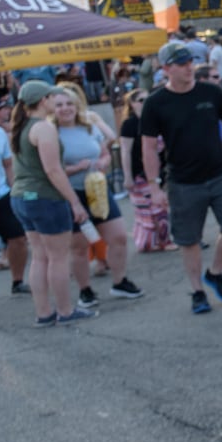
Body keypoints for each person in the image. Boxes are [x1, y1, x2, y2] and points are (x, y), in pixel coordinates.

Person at [140, 42, 222, 316]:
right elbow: (148, 147)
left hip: (219, 174)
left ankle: (215, 272)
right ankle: (198, 291)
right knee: (189, 240)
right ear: (166, 68)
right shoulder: (156, 103)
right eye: (181, 64)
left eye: (190, 62)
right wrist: (154, 187)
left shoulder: (210, 92)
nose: (188, 67)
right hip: (183, 181)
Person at [8, 81, 95, 325]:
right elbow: (54, 171)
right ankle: (66, 311)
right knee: (57, 258)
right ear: (44, 100)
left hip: (23, 197)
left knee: (40, 257)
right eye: (52, 98)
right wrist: (75, 202)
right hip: (45, 199)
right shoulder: (43, 128)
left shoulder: (21, 126)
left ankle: (44, 313)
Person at [51, 85, 142, 306]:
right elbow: (51, 169)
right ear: (51, 109)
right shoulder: (51, 133)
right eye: (59, 105)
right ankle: (86, 290)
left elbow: (104, 153)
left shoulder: (89, 126)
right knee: (79, 246)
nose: (65, 109)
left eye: (69, 103)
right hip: (71, 194)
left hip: (98, 189)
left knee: (119, 237)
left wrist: (103, 162)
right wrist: (76, 168)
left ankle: (119, 282)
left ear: (77, 105)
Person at [118, 89, 173, 253]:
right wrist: (127, 176)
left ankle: (151, 241)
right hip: (139, 174)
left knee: (156, 208)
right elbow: (125, 151)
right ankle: (164, 241)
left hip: (159, 172)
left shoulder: (157, 120)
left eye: (147, 99)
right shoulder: (129, 124)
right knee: (155, 209)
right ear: (132, 104)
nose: (145, 103)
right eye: (140, 100)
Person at [0, 93, 31, 295]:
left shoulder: (0, 134)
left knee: (18, 238)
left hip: (2, 194)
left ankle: (17, 281)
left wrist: (15, 192)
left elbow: (8, 165)